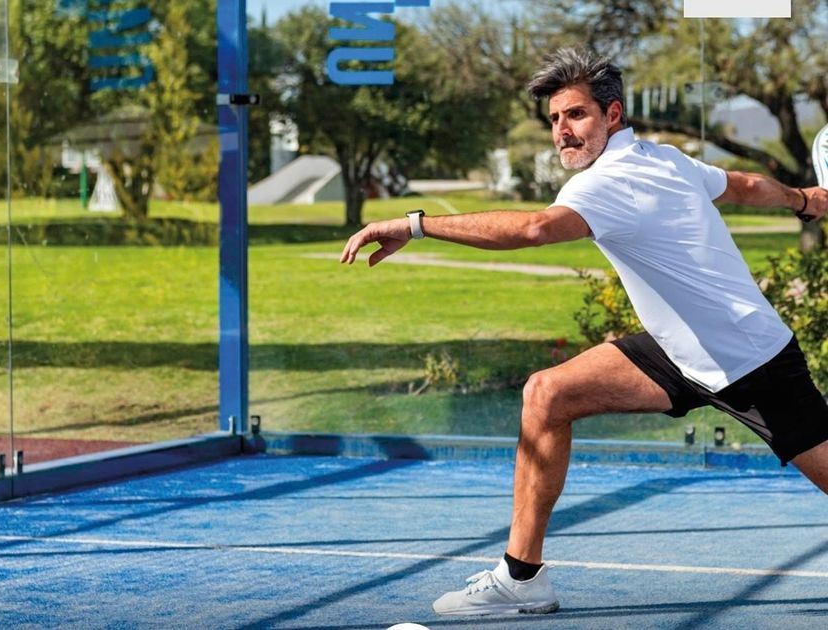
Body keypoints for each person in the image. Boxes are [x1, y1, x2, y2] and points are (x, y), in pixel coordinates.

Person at [339, 47, 828, 616]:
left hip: (749, 361)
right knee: (547, 394)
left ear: (612, 115)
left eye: (576, 115)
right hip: (681, 351)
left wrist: (415, 225)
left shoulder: (610, 181)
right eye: (554, 119)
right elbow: (742, 185)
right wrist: (804, 199)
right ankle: (521, 577)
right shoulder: (666, 158)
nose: (562, 132)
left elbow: (532, 228)